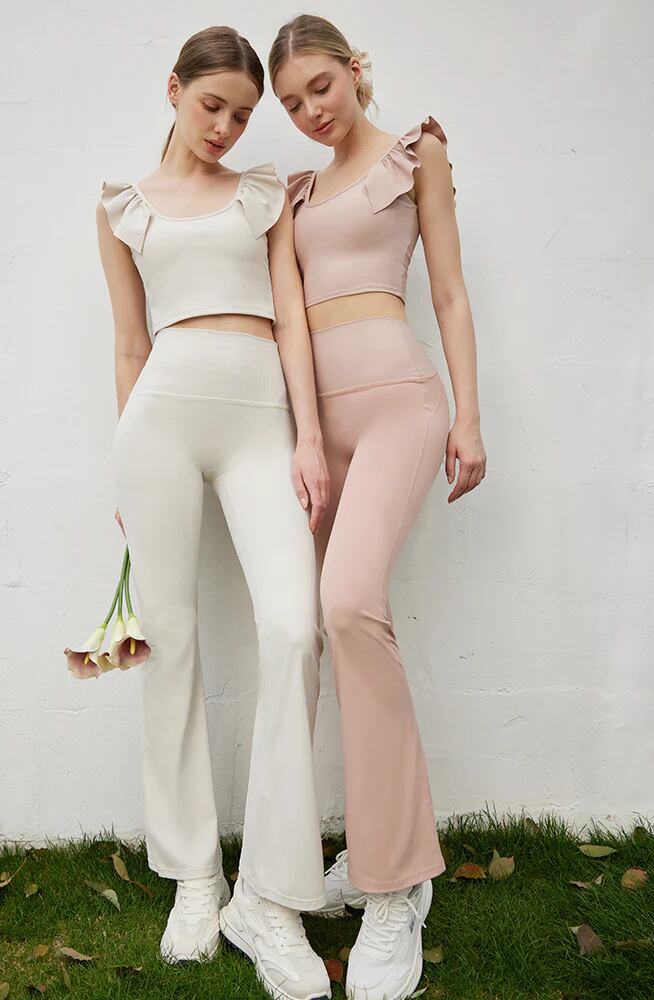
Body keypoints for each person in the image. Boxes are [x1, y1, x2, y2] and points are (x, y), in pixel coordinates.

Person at [97, 25, 334, 1000]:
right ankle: (196, 875)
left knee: (294, 627)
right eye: (212, 107)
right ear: (173, 89)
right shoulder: (123, 208)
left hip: (258, 422)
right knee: (170, 641)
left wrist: (308, 438)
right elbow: (128, 344)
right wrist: (124, 462)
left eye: (242, 114)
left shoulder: (261, 196)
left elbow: (294, 319)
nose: (228, 128)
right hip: (158, 424)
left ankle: (269, 892)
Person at [270, 15, 487, 1000]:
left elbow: (449, 293)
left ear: (356, 70)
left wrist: (469, 416)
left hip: (401, 403)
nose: (311, 111)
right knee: (322, 625)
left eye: (320, 86)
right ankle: (372, 849)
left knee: (351, 603)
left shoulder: (416, 153)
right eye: (291, 103)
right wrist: (301, 436)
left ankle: (394, 885)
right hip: (320, 430)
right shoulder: (297, 194)